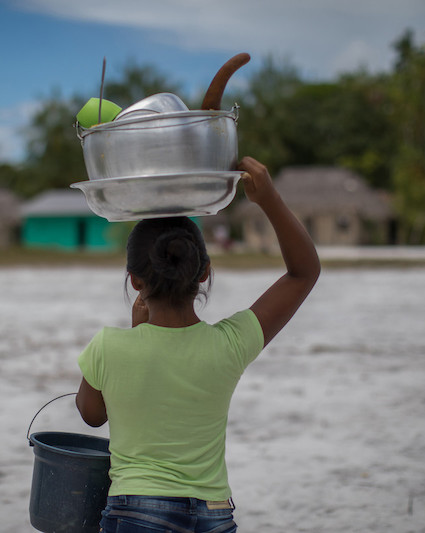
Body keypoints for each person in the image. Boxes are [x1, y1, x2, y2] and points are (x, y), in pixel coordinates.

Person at [76, 156, 320, 532]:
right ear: (204, 272)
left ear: (135, 282)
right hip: (214, 513)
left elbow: (92, 414)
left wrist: (134, 334)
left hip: (137, 511)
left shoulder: (109, 346)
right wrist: (268, 198)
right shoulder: (231, 343)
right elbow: (304, 272)